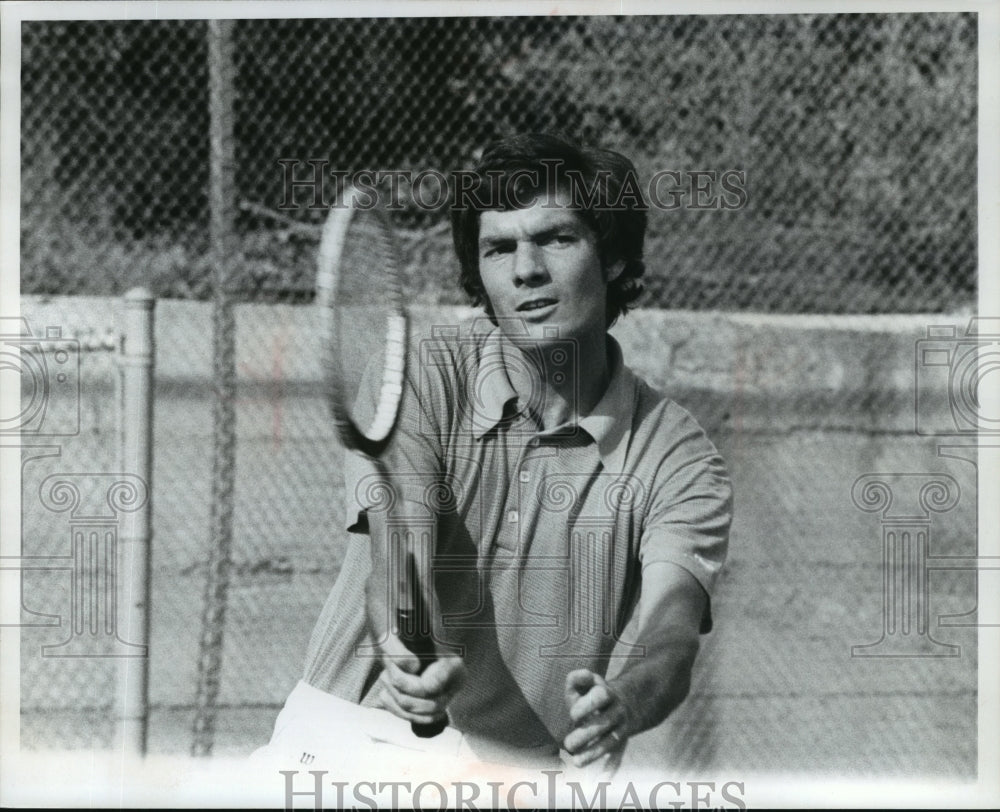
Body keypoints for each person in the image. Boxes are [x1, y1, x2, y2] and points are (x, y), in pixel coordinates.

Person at [258, 133, 732, 779]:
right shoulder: (420, 376)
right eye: (499, 248)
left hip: (521, 776)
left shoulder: (675, 450)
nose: (525, 270)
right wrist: (403, 644)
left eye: (557, 239)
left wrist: (627, 698)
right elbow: (401, 554)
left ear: (615, 258)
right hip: (353, 736)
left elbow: (671, 630)